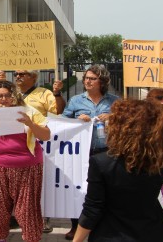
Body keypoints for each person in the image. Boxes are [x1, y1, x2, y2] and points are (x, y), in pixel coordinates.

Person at [72, 99, 163, 242]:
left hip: (112, 233)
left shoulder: (101, 162)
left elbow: (93, 209)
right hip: (154, 230)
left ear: (121, 127)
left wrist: (77, 240)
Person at [0, 81, 51, 242]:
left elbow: (46, 136)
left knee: (27, 209)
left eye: (8, 95)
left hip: (27, 166)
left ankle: (31, 238)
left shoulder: (28, 111)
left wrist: (30, 123)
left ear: (14, 96)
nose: (4, 99)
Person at [62, 65, 119, 240]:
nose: (87, 81)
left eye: (92, 78)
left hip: (107, 152)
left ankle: (104, 225)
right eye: (86, 77)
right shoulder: (76, 100)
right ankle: (75, 226)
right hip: (82, 152)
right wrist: (76, 120)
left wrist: (112, 117)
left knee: (106, 190)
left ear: (102, 81)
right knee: (80, 190)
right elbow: (63, 120)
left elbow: (127, 120)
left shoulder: (114, 101)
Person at [10, 69, 65, 233]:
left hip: (38, 143)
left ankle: (43, 217)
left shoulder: (44, 93)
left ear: (33, 77)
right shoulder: (10, 92)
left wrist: (57, 93)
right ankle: (15, 216)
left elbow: (58, 110)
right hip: (14, 144)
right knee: (15, 183)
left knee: (37, 184)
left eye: (22, 74)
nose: (18, 77)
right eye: (16, 74)